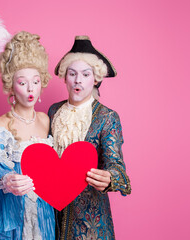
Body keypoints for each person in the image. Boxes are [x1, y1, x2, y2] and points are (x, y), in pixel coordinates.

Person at [0, 31, 55, 240]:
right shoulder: (1, 124)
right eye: (22, 83)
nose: (30, 89)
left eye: (35, 81)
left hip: (44, 210)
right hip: (12, 211)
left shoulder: (46, 120)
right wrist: (8, 179)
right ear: (11, 87)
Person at [48, 36, 132, 240]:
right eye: (72, 73)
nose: (78, 80)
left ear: (95, 79)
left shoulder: (107, 117)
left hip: (90, 224)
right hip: (52, 219)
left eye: (85, 74)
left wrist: (110, 177)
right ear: (64, 77)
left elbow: (117, 167)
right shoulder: (53, 111)